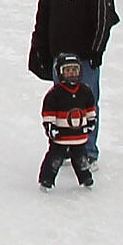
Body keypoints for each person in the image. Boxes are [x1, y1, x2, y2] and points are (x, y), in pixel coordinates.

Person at [26, 0, 119, 155]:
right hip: (59, 61)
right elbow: (42, 22)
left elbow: (104, 22)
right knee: (62, 105)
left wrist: (96, 52)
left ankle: (87, 150)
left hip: (84, 62)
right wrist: (39, 51)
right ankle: (66, 147)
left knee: (86, 105)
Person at [38, 54, 100, 189]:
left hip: (78, 136)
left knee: (81, 159)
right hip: (61, 136)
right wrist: (51, 128)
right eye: (67, 71)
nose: (71, 74)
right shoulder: (55, 93)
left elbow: (90, 109)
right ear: (60, 73)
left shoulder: (85, 91)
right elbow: (48, 113)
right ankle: (47, 179)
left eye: (74, 70)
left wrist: (90, 123)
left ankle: (85, 178)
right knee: (55, 158)